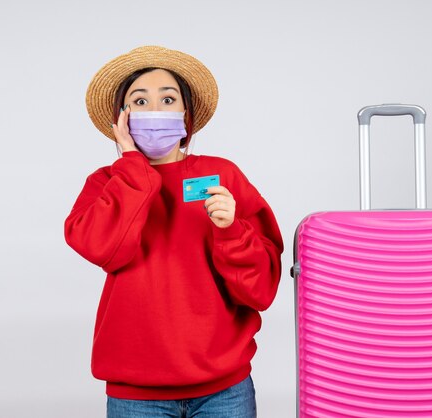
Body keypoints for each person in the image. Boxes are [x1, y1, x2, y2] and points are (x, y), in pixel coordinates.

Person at [64, 45, 283, 418]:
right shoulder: (106, 183)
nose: (155, 111)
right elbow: (103, 248)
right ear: (122, 118)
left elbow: (260, 289)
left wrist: (232, 231)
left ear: (186, 116)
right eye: (140, 101)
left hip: (224, 389)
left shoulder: (222, 175)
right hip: (135, 393)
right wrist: (132, 165)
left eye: (168, 99)